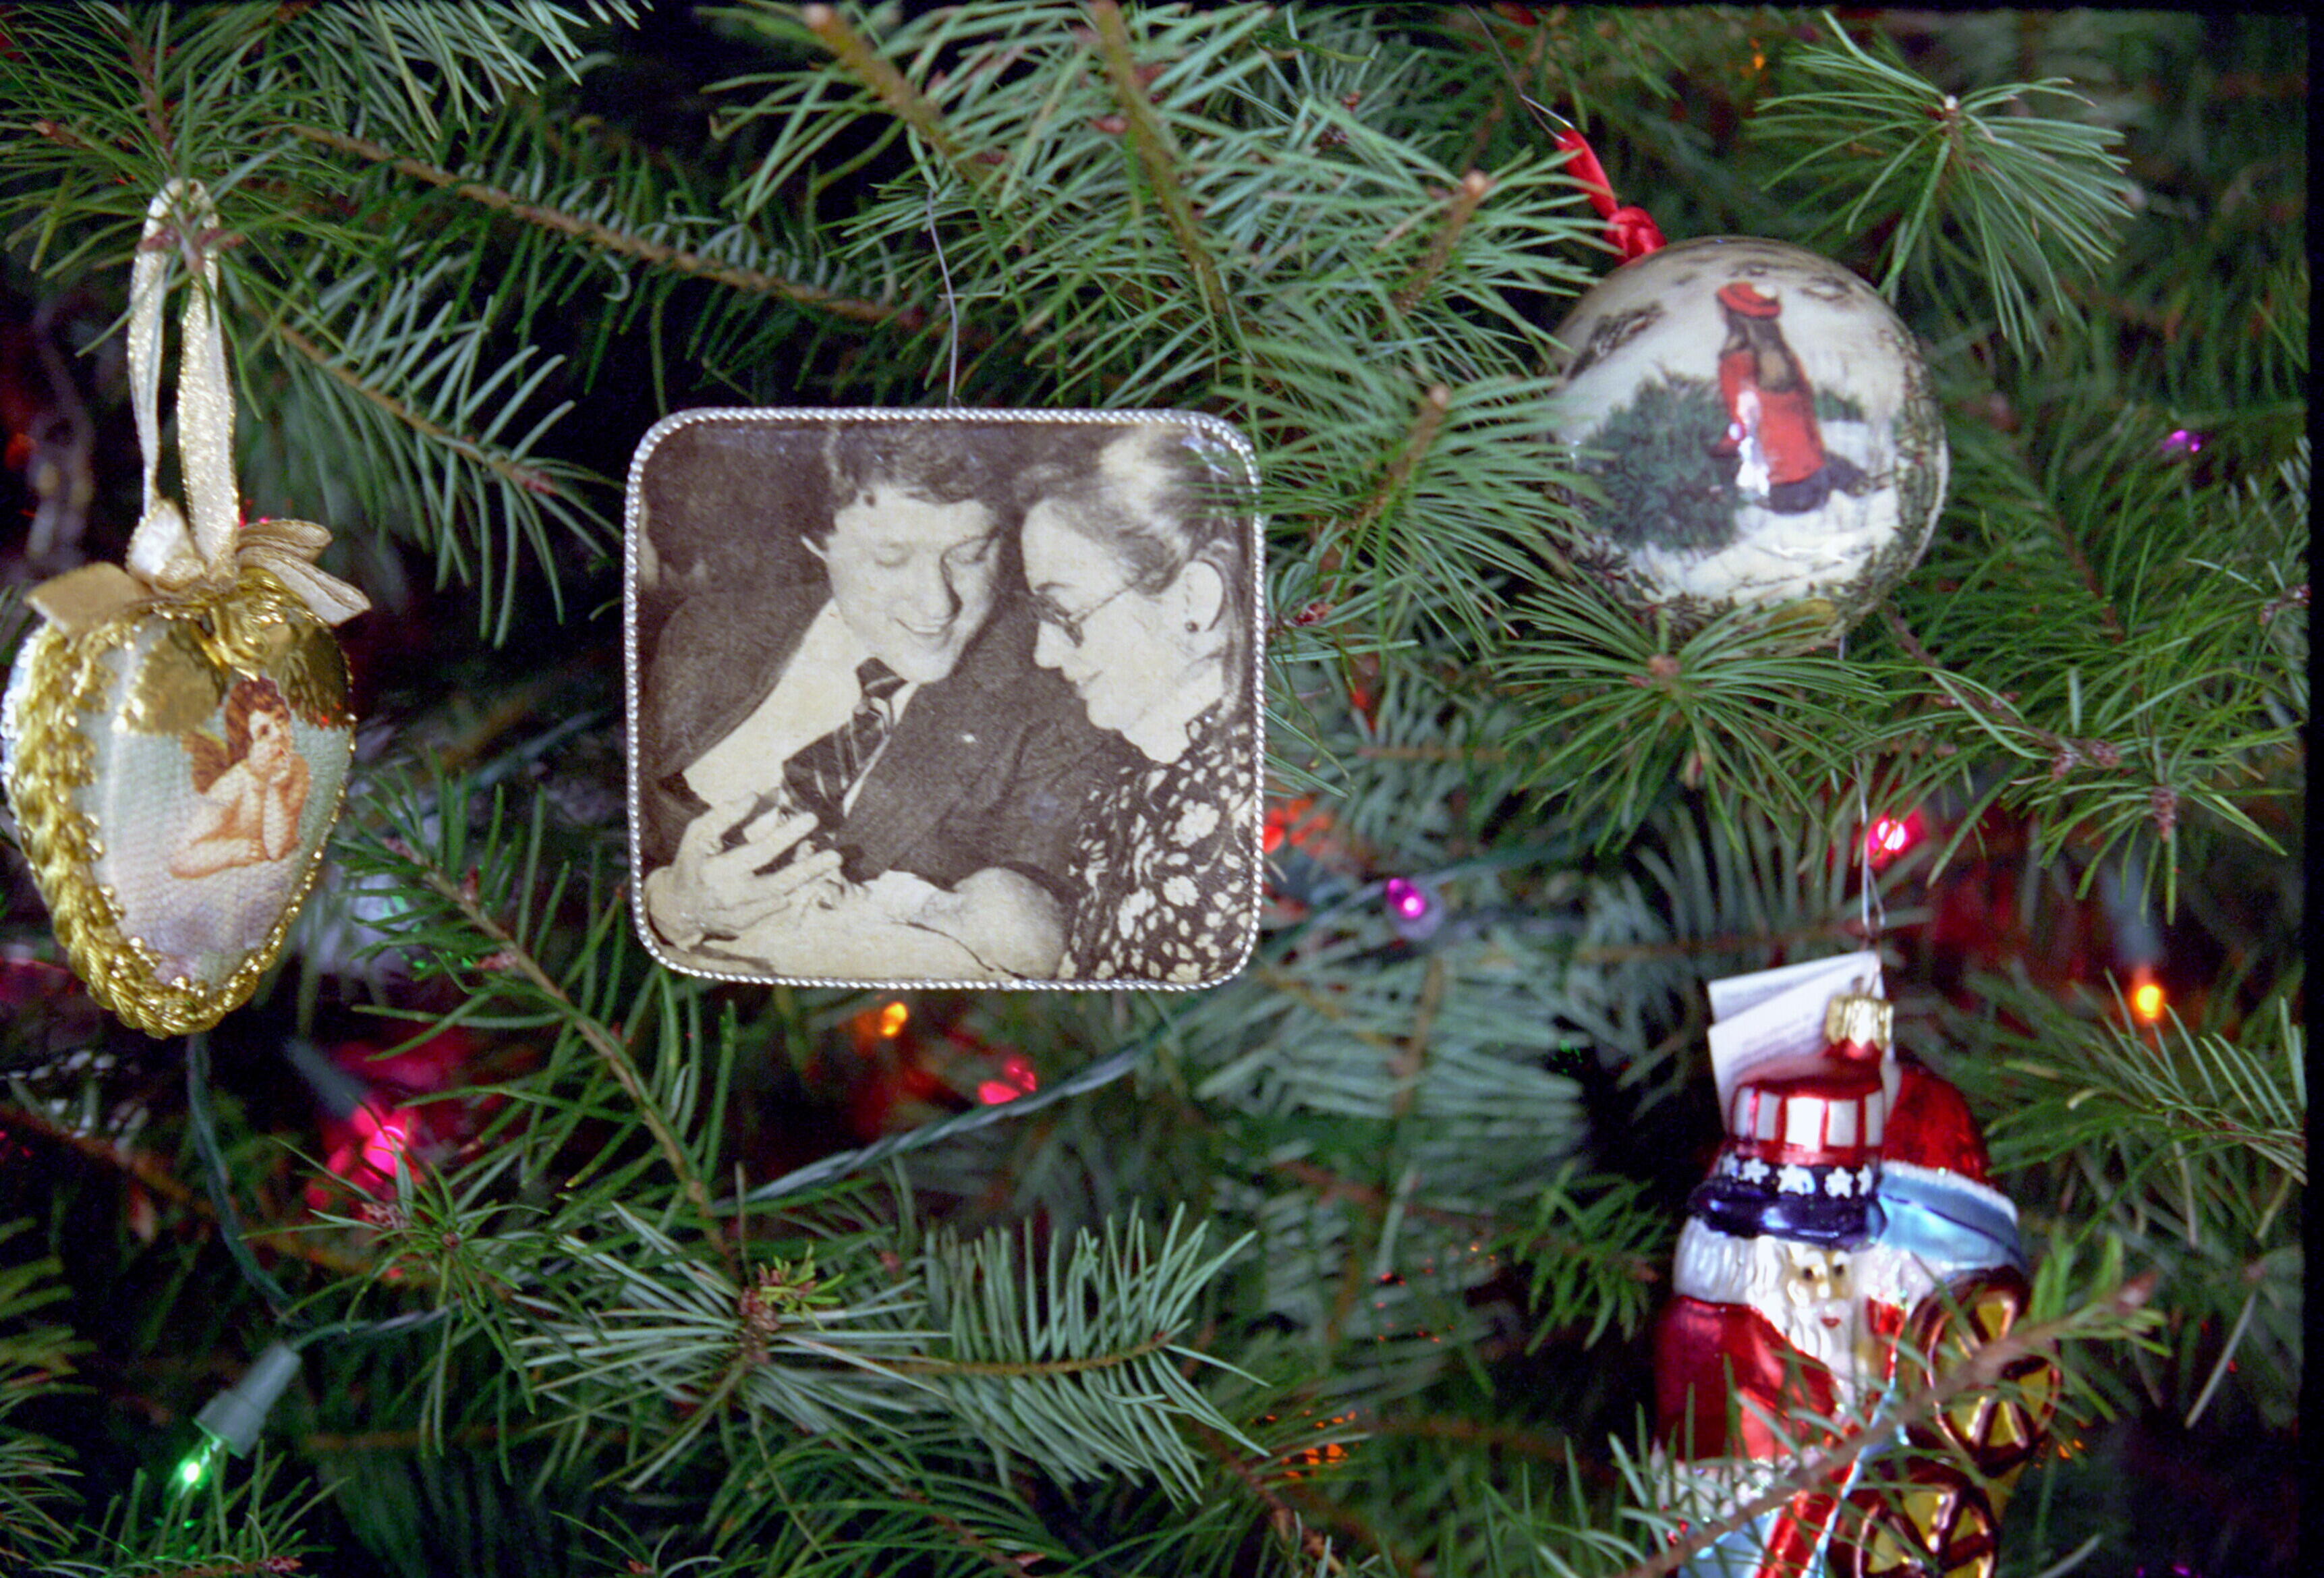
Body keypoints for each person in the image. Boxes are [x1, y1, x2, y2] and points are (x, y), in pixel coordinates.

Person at [638, 422, 1127, 979]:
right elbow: (598, 844)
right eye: (890, 558)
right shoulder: (710, 632)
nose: (935, 603)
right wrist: (672, 906)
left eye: (969, 554)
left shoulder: (1062, 695)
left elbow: (1035, 945)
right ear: (817, 541)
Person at [1015, 423, 1257, 983]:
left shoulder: (1218, 826)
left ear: (1194, 600)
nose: (1044, 653)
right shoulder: (1147, 779)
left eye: (1064, 615)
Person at [171, 677, 310, 878]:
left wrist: (275, 790)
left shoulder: (298, 769)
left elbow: (277, 849)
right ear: (246, 748)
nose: (279, 734)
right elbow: (181, 860)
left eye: (281, 718)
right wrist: (232, 851)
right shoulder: (233, 785)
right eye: (264, 732)